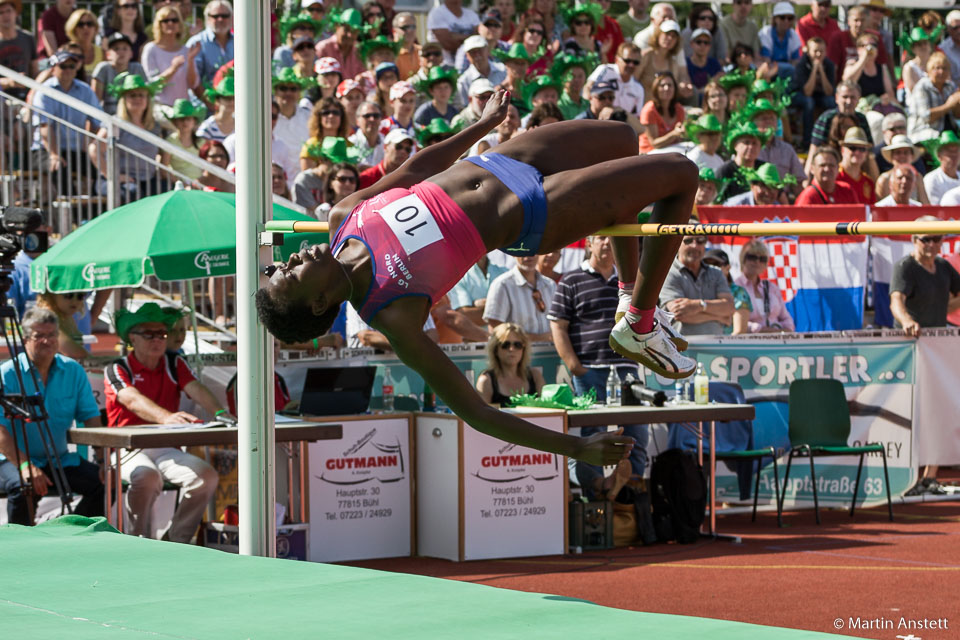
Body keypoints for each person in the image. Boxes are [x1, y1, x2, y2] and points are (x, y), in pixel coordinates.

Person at [257, 95, 701, 466]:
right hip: (530, 211)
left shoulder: (342, 217)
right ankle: (641, 322)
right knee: (681, 172)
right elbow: (474, 411)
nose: (291, 257)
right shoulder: (392, 312)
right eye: (288, 273)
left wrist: (481, 125)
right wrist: (577, 447)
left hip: (502, 160)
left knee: (622, 139)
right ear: (317, 303)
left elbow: (416, 170)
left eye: (280, 263)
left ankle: (628, 300)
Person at [104, 303, 231, 542]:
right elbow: (131, 399)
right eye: (149, 334)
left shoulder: (175, 363)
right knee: (146, 476)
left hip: (166, 447)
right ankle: (137, 541)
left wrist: (222, 413)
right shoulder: (117, 368)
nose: (158, 340)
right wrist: (166, 417)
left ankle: (176, 541)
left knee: (206, 476)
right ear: (132, 337)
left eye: (162, 334)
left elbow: (197, 389)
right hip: (126, 449)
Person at [548, 234, 648, 494]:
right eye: (601, 238)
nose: (606, 243)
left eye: (612, 239)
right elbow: (558, 326)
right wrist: (575, 366)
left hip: (627, 371)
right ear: (589, 244)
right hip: (589, 370)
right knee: (590, 437)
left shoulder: (632, 282)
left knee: (638, 432)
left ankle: (629, 495)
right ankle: (597, 494)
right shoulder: (570, 280)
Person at [0, 307, 104, 526]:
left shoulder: (73, 371)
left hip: (59, 459)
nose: (47, 341)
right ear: (25, 339)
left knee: (103, 484)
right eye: (40, 336)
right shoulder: (6, 374)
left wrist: (104, 461)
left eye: (52, 335)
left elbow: (91, 417)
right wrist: (25, 465)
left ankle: (72, 534)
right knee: (25, 487)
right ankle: (20, 552)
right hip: (12, 460)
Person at [890, 216, 960, 496]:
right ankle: (907, 473)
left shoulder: (943, 267)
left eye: (937, 239)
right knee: (909, 410)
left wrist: (943, 308)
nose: (931, 245)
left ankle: (930, 475)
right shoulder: (905, 267)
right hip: (910, 348)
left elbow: (957, 295)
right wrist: (907, 320)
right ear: (913, 240)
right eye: (925, 239)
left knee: (937, 409)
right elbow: (896, 300)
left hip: (938, 348)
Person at [30, 48, 101, 191]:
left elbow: (98, 121)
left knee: (99, 171)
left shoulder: (85, 90)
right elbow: (45, 127)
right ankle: (71, 210)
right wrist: (54, 154)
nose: (68, 70)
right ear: (53, 69)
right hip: (44, 150)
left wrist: (95, 148)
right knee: (58, 166)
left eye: (72, 66)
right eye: (63, 66)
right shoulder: (44, 90)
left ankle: (93, 209)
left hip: (75, 150)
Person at [89, 72, 166, 203]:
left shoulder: (154, 126)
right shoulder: (115, 123)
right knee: (132, 193)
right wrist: (112, 175)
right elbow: (94, 149)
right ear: (124, 100)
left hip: (147, 179)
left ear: (148, 99)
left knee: (167, 192)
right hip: (118, 181)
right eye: (132, 95)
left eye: (141, 95)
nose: (137, 99)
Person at [659, 229, 734, 336]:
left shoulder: (716, 272)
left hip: (715, 348)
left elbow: (729, 307)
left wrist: (698, 305)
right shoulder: (667, 273)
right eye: (688, 240)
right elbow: (679, 313)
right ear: (677, 242)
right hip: (678, 348)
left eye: (700, 240)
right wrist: (718, 316)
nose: (695, 245)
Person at [484, 255, 557, 342]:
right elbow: (495, 329)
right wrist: (540, 338)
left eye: (533, 251)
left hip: (551, 353)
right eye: (523, 251)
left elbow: (560, 322)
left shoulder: (550, 285)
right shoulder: (502, 285)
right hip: (518, 353)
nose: (528, 256)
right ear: (514, 254)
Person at [805, 80, 872, 176]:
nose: (848, 101)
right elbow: (814, 152)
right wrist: (806, 181)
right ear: (836, 98)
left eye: (852, 97)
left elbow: (869, 151)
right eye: (845, 97)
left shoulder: (862, 119)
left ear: (858, 99)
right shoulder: (826, 118)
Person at [734, 240, 795, 333]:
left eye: (762, 259)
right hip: (748, 342)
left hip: (777, 341)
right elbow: (732, 321)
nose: (757, 262)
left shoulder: (772, 288)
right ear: (743, 259)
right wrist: (760, 329)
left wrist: (784, 330)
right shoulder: (735, 287)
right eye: (752, 257)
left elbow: (786, 318)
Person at [476, 323, 544, 405]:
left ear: (524, 348)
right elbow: (481, 415)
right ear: (495, 349)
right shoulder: (486, 380)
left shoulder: (535, 376)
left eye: (517, 345)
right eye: (505, 345)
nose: (511, 349)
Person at [141, 5, 194, 107]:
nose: (170, 23)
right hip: (159, 107)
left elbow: (192, 84)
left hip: (184, 110)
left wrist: (191, 60)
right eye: (165, 21)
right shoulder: (151, 49)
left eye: (175, 20)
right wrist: (173, 69)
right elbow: (151, 85)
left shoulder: (186, 50)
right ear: (159, 24)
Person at [790, 36, 835, 149]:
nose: (819, 54)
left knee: (831, 102)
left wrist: (822, 71)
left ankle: (830, 139)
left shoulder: (829, 65)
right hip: (799, 95)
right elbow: (807, 92)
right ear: (808, 51)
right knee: (809, 102)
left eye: (822, 51)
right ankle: (808, 142)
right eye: (815, 51)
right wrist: (815, 70)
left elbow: (829, 92)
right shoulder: (802, 64)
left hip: (820, 95)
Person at [907, 52, 960, 144]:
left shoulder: (950, 86)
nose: (941, 72)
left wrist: (957, 103)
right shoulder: (922, 87)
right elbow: (926, 116)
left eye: (945, 68)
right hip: (925, 132)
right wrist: (949, 105)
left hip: (949, 131)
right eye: (937, 68)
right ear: (929, 70)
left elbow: (956, 116)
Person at [827, 6, 888, 84]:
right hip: (846, 84)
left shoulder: (874, 38)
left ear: (868, 21)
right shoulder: (838, 37)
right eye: (856, 20)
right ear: (849, 21)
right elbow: (833, 67)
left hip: (870, 84)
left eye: (862, 20)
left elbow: (882, 65)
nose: (859, 24)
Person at [636, 20, 692, 103]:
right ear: (658, 35)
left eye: (673, 36)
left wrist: (682, 88)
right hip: (642, 106)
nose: (670, 38)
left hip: (664, 110)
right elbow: (633, 81)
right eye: (667, 34)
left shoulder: (673, 63)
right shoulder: (646, 56)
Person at [186, 0, 234, 95]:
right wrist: (211, 104)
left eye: (225, 16)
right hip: (204, 105)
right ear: (207, 19)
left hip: (235, 103)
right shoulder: (196, 43)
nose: (220, 19)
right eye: (215, 16)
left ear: (232, 18)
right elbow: (194, 82)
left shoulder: (240, 42)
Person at [91, 32, 145, 115]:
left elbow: (144, 96)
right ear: (108, 54)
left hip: (133, 117)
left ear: (131, 53)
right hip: (108, 118)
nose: (121, 52)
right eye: (116, 49)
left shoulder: (137, 68)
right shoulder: (103, 68)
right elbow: (95, 101)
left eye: (125, 48)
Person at [716, 121, 769, 200]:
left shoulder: (765, 169)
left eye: (754, 143)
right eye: (746, 142)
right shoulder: (725, 171)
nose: (751, 147)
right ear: (735, 146)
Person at [702, 248, 750, 335]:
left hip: (727, 346)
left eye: (716, 264)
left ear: (728, 268)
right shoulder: (698, 289)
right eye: (706, 264)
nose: (711, 268)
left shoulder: (738, 292)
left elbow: (739, 332)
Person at [0, 0, 38, 101]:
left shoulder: (28, 38)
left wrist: (32, 95)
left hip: (27, 97)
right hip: (3, 98)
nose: (5, 15)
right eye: (1, 12)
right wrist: (10, 82)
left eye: (9, 11)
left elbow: (34, 71)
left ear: (16, 13)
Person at [160, 99, 205, 184]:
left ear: (194, 121)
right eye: (181, 119)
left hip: (200, 184)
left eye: (188, 119)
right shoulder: (170, 141)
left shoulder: (202, 142)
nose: (185, 122)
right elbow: (164, 170)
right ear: (175, 122)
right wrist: (180, 184)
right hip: (178, 186)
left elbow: (207, 168)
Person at [638, 70, 684, 153]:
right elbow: (654, 143)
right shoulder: (649, 110)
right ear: (656, 88)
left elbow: (679, 139)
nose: (666, 88)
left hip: (671, 150)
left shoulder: (679, 109)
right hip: (649, 152)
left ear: (675, 88)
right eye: (662, 85)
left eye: (670, 85)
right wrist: (673, 134)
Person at [456, 35, 507, 109]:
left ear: (487, 50)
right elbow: (466, 107)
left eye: (479, 50)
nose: (477, 54)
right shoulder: (463, 81)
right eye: (472, 52)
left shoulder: (503, 70)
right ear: (467, 56)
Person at [875, 135, 929, 204]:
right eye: (898, 152)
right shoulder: (884, 179)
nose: (902, 156)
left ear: (911, 156)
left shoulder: (918, 177)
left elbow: (925, 204)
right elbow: (880, 208)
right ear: (892, 156)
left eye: (906, 153)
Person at [427, 0, 480, 67]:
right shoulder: (436, 13)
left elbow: (478, 40)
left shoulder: (472, 14)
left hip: (470, 66)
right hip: (445, 68)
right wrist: (470, 40)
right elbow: (448, 43)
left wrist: (454, 36)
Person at [843, 33, 893, 102]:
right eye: (866, 45)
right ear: (858, 49)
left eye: (874, 45)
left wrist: (886, 98)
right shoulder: (852, 63)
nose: (871, 48)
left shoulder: (882, 67)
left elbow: (890, 93)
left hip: (879, 105)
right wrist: (864, 58)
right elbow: (848, 81)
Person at [757, 2, 801, 81]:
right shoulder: (766, 33)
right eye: (782, 17)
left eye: (790, 18)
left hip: (787, 75)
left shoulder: (793, 35)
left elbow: (795, 61)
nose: (786, 21)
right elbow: (766, 61)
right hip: (767, 73)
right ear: (775, 19)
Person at [835, 127, 876, 205]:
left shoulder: (868, 182)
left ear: (866, 153)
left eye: (862, 149)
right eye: (852, 148)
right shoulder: (834, 176)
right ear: (842, 150)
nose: (857, 152)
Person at [723, 162, 793, 206]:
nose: (767, 193)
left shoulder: (778, 210)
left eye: (773, 188)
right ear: (752, 186)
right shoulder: (734, 206)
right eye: (763, 186)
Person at [922, 131, 960, 204]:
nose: (954, 155)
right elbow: (935, 209)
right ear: (939, 155)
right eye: (949, 152)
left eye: (956, 151)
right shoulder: (931, 179)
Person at [900, 26, 939, 97]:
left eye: (925, 43)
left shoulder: (937, 64)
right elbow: (914, 92)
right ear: (913, 49)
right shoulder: (909, 67)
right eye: (919, 44)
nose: (923, 46)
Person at [64, 8, 103, 76]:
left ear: (95, 28)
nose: (85, 27)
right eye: (80, 24)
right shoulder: (65, 52)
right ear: (73, 28)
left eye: (89, 24)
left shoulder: (103, 53)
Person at [196, 75, 234, 141]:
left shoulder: (242, 125)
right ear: (218, 100)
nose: (232, 102)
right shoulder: (207, 127)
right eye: (227, 98)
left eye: (234, 98)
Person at [393, 12, 421, 80]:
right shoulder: (390, 53)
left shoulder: (423, 51)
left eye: (413, 27)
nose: (409, 30)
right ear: (394, 30)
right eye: (405, 27)